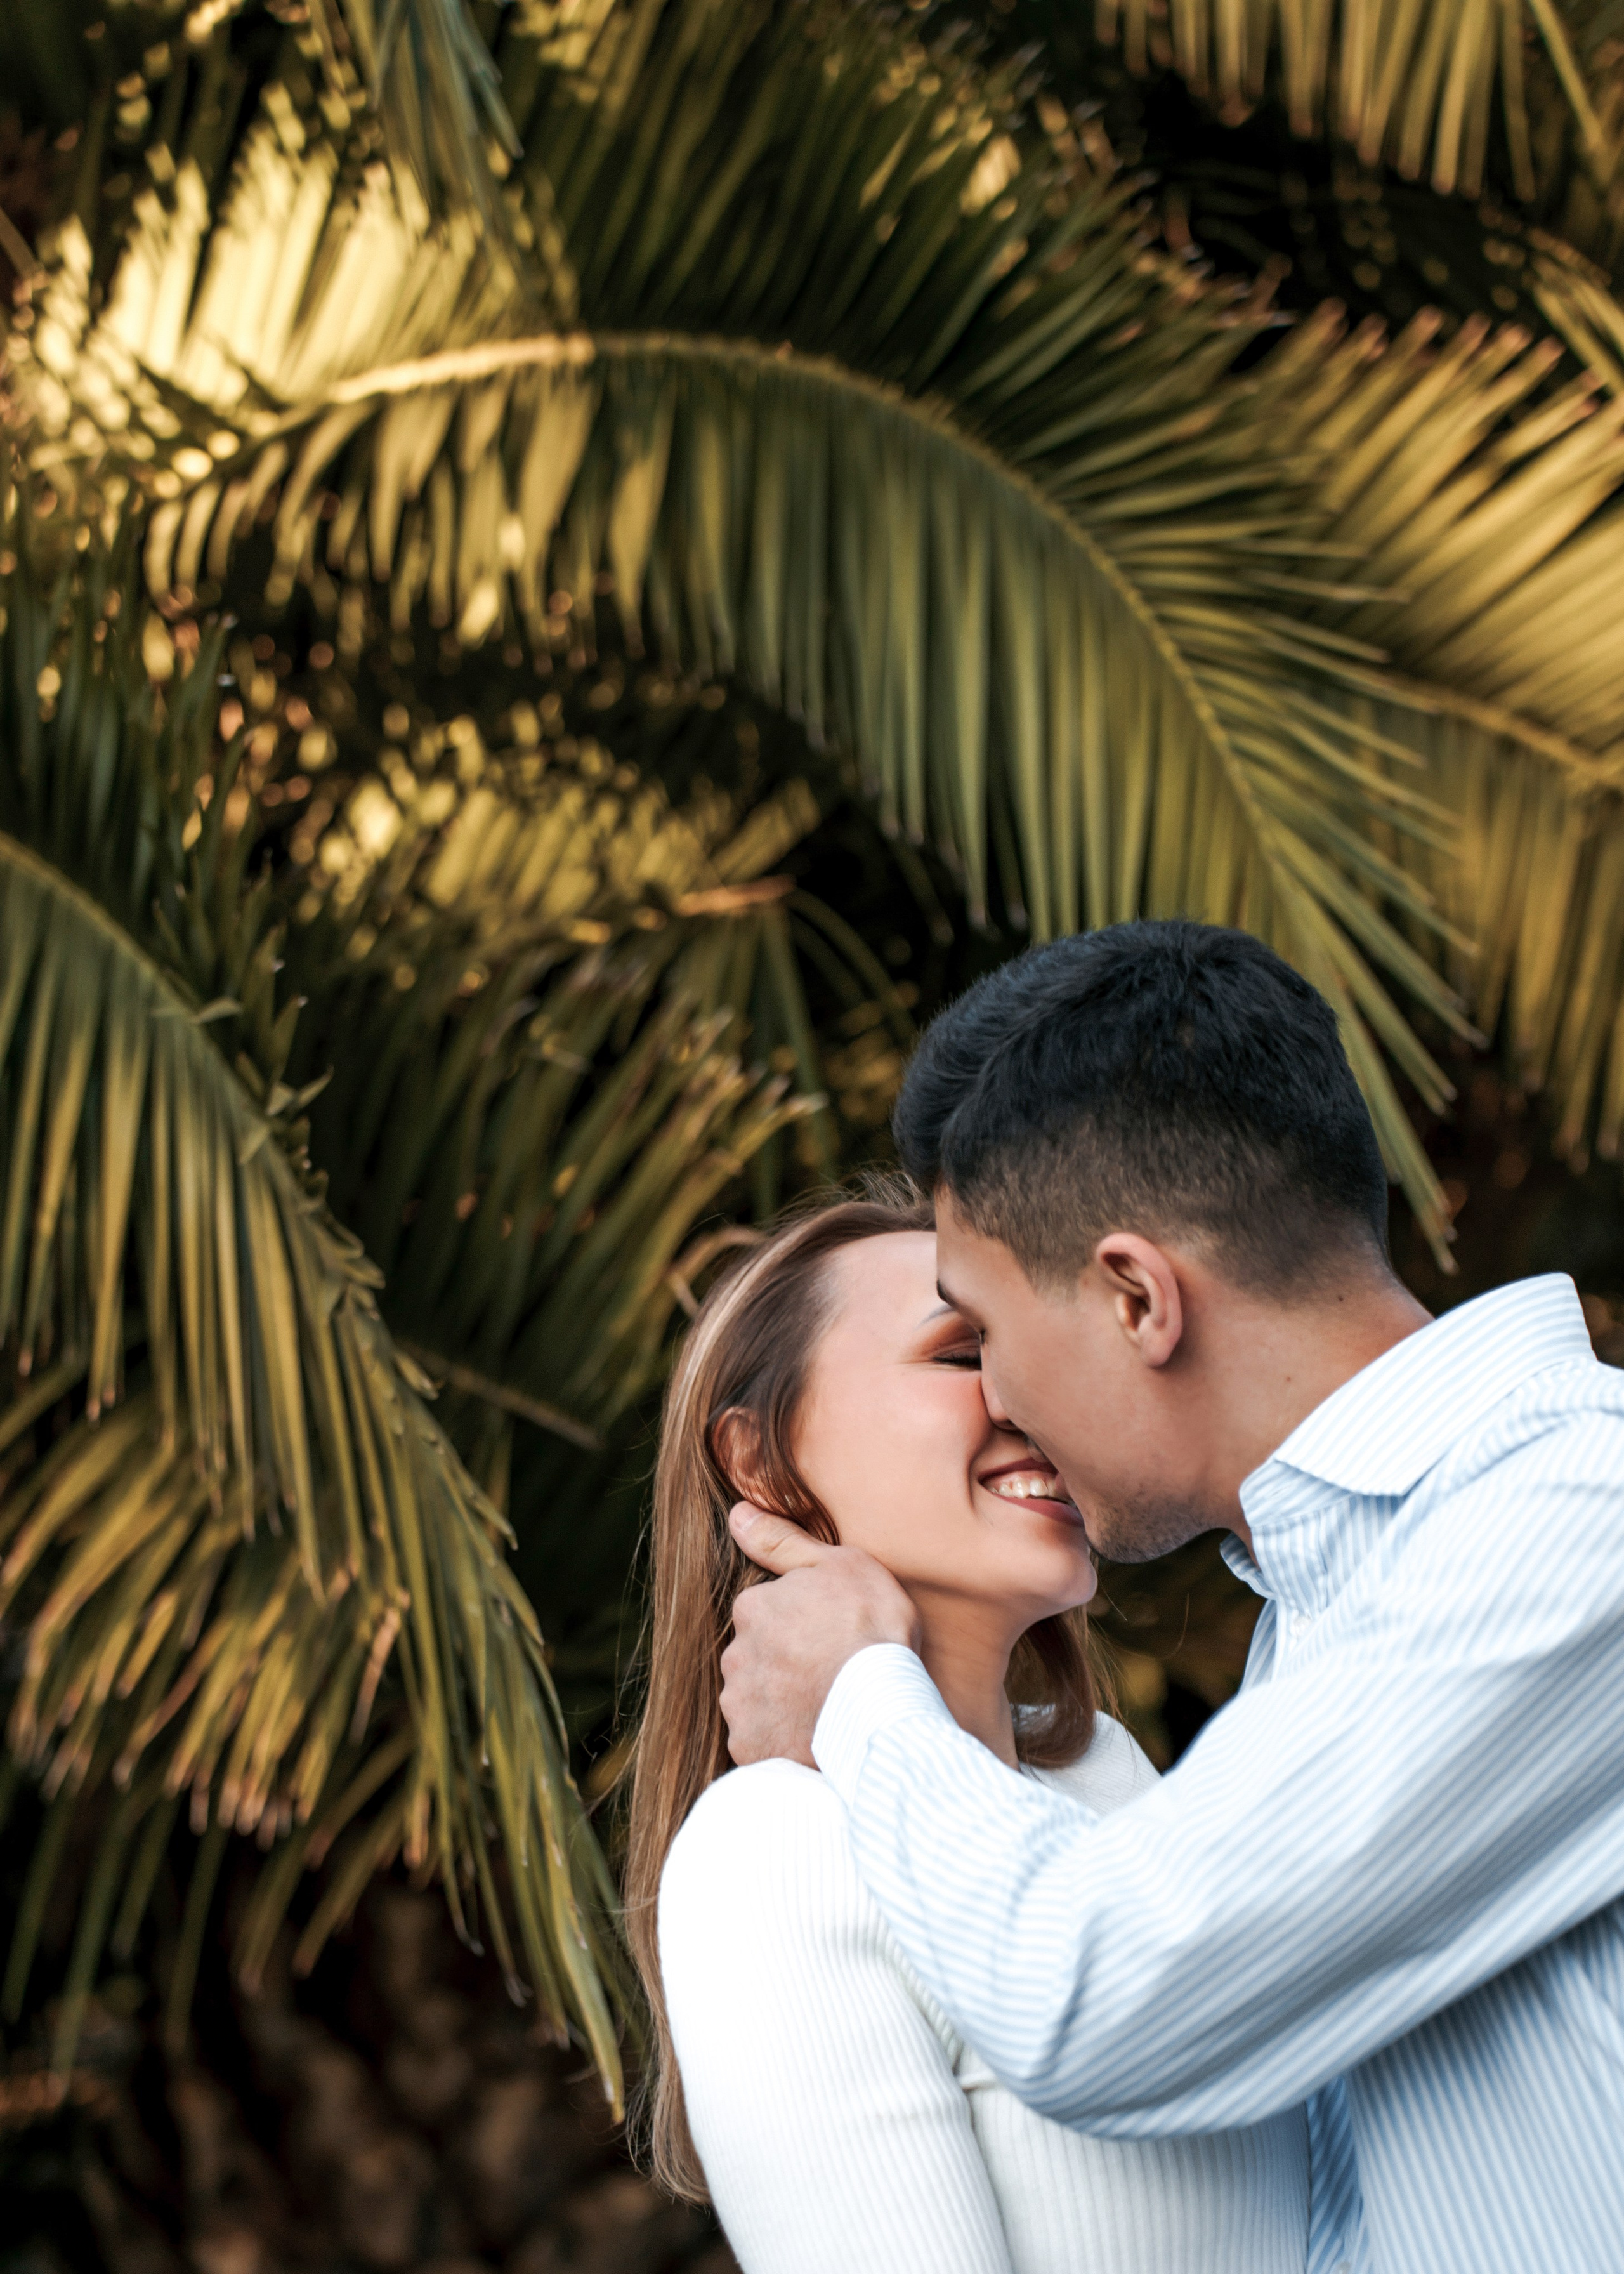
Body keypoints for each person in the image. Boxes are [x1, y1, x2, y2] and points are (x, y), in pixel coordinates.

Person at [718, 921, 1624, 2274]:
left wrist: (859, 1691)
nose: (1002, 1399)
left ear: (1137, 1296)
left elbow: (1102, 1997)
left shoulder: (1569, 1514)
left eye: (987, 1331)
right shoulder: (1331, 1603)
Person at [624, 1189, 1311, 2273]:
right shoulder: (775, 1845)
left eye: (1030, 1347)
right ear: (758, 1463)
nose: (1029, 1393)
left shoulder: (1102, 1777)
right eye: (958, 1353)